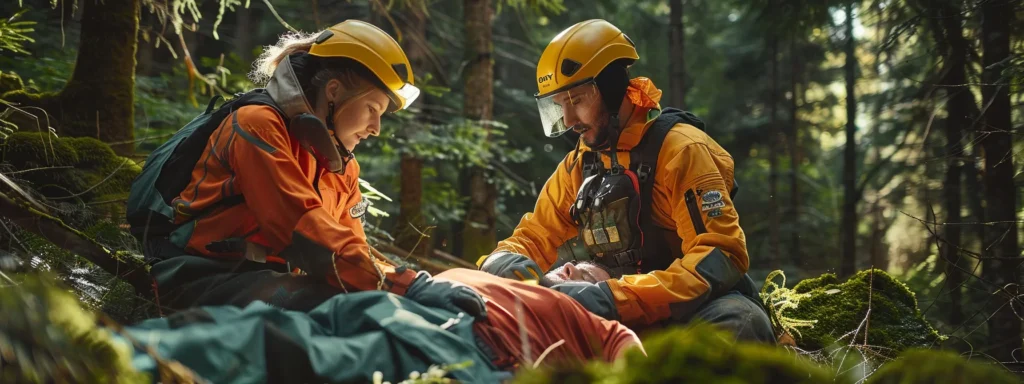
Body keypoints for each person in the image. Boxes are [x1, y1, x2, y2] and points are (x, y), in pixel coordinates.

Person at [128, 20, 485, 319]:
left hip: (263, 280)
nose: (376, 127)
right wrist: (410, 287)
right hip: (200, 276)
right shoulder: (257, 124)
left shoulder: (339, 163)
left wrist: (408, 283)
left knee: (371, 304)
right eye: (373, 108)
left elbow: (350, 246)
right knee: (349, 315)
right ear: (333, 92)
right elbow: (302, 230)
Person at [476, 19, 775, 343]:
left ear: (612, 88)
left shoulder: (683, 151)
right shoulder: (580, 163)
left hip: (692, 310)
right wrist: (501, 261)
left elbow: (722, 255)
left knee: (740, 322)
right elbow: (534, 236)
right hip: (616, 309)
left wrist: (614, 298)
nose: (570, 120)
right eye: (559, 106)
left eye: (577, 100)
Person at [125, 267, 643, 383]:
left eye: (583, 272)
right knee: (270, 325)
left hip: (471, 347)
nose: (568, 268)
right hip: (401, 308)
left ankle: (132, 364)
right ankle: (136, 345)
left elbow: (637, 364)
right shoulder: (490, 274)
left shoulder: (587, 322)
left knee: (312, 360)